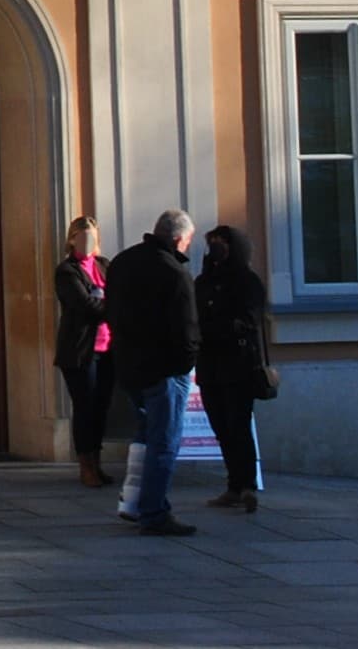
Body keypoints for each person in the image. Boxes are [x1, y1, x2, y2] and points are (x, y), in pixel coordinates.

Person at [102, 207, 201, 536]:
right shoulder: (175, 273)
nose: (188, 246)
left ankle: (132, 501)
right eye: (187, 241)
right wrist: (184, 365)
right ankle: (153, 511)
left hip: (129, 364)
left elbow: (110, 311)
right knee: (165, 440)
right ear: (176, 239)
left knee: (145, 434)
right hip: (165, 369)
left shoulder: (122, 262)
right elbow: (188, 329)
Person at [195, 223, 270, 513]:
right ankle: (233, 484)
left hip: (238, 365)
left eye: (221, 244)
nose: (215, 249)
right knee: (221, 427)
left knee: (238, 424)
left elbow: (250, 320)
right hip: (210, 364)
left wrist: (218, 328)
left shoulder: (247, 281)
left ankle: (246, 484)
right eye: (211, 243)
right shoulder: (203, 282)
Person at [53, 215, 114, 487]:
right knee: (85, 407)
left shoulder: (104, 266)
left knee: (101, 408)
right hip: (80, 351)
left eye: (91, 236)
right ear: (72, 239)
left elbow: (121, 293)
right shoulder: (67, 271)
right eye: (82, 236)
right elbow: (85, 305)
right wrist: (116, 309)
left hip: (108, 348)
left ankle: (98, 462)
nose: (87, 242)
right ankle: (85, 465)